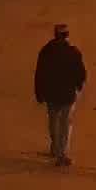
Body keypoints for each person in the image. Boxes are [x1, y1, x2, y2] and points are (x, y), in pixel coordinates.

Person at [33, 23, 86, 166]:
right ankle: (62, 154)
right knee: (65, 123)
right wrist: (79, 86)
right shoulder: (73, 52)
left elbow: (40, 73)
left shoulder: (46, 51)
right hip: (67, 94)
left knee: (53, 120)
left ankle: (54, 147)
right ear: (67, 36)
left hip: (51, 93)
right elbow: (81, 73)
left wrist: (39, 92)